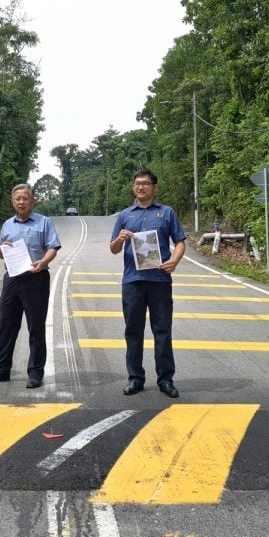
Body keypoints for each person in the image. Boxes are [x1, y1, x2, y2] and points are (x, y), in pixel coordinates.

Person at [108, 168, 187, 398]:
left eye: (145, 183)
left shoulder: (166, 213)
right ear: (133, 187)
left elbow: (180, 241)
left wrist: (174, 260)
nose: (140, 187)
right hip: (133, 282)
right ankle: (135, 378)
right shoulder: (125, 215)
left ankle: (165, 380)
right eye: (137, 183)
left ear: (154, 187)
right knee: (133, 331)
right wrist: (119, 239)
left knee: (162, 331)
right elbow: (113, 249)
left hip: (160, 280)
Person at [0, 184, 62, 389]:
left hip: (36, 278)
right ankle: (0, 370)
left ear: (33, 201)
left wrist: (43, 262)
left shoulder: (44, 222)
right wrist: (1, 250)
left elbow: (53, 247)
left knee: (35, 327)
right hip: (12, 278)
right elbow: (0, 250)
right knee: (6, 325)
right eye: (17, 198)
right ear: (12, 202)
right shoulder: (7, 224)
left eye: (25, 198)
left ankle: (35, 373)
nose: (21, 202)